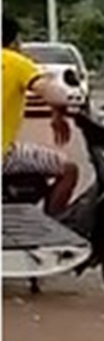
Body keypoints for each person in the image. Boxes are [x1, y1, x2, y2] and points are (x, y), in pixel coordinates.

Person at [2, 13, 79, 215]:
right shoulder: (15, 62)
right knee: (69, 170)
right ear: (15, 40)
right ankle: (53, 226)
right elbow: (53, 93)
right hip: (3, 153)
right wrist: (63, 108)